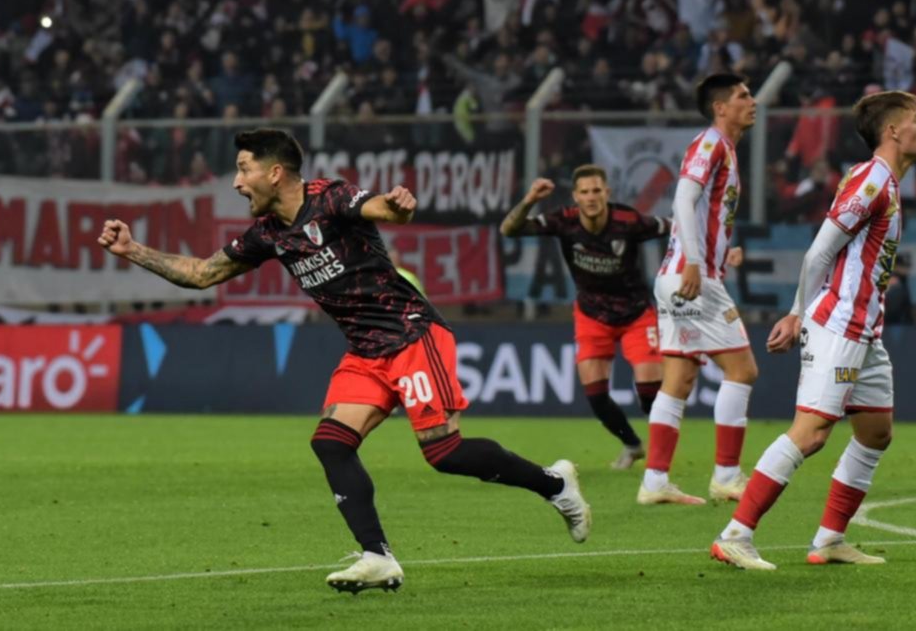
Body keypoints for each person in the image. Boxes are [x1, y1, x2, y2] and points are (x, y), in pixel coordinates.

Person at [96, 129, 590, 593]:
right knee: (331, 443)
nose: (236, 181)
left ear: (274, 173)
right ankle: (378, 556)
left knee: (443, 453)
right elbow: (203, 273)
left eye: (244, 169)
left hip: (411, 334)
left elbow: (378, 208)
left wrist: (395, 206)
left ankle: (554, 483)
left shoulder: (330, 197)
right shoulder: (267, 233)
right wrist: (132, 249)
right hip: (364, 350)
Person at [710, 90, 916, 570]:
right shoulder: (872, 180)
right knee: (810, 434)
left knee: (876, 432)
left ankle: (830, 539)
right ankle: (735, 534)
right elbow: (819, 251)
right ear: (893, 131)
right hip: (839, 327)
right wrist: (796, 313)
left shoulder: (883, 182)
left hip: (865, 331)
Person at [501, 165, 671, 470]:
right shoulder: (563, 221)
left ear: (607, 193)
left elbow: (678, 229)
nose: (591, 197)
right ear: (575, 196)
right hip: (592, 315)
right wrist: (529, 199)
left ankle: (660, 461)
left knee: (649, 393)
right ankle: (632, 445)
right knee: (595, 395)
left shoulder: (628, 221)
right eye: (585, 192)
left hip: (636, 312)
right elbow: (509, 230)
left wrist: (718, 252)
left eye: (596, 191)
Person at [643, 73, 759, 506]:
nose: (753, 101)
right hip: (691, 277)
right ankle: (727, 475)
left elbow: (703, 210)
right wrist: (695, 260)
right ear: (720, 107)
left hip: (682, 274)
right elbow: (681, 199)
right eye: (743, 95)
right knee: (743, 371)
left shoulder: (723, 148)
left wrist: (718, 252)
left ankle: (655, 482)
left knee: (679, 378)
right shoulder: (711, 142)